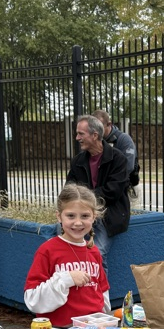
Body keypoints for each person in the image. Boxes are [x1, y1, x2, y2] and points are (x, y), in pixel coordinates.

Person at [23, 184, 110, 327]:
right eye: (70, 216)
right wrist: (66, 279)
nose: (77, 222)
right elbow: (32, 299)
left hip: (93, 328)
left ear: (94, 217)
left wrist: (104, 319)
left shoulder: (94, 251)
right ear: (59, 216)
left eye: (85, 216)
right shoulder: (48, 250)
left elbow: (103, 291)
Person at [67, 114, 130, 276]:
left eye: (81, 134)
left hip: (108, 214)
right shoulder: (78, 161)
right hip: (82, 214)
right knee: (67, 251)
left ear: (95, 135)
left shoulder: (118, 159)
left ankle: (100, 299)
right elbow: (69, 189)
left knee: (97, 253)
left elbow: (112, 192)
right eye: (77, 133)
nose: (77, 138)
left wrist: (84, 198)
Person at [92, 109, 139, 189]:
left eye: (99, 127)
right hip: (104, 188)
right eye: (93, 127)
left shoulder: (124, 139)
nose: (96, 131)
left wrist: (111, 183)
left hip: (124, 187)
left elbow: (128, 167)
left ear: (109, 124)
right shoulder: (95, 140)